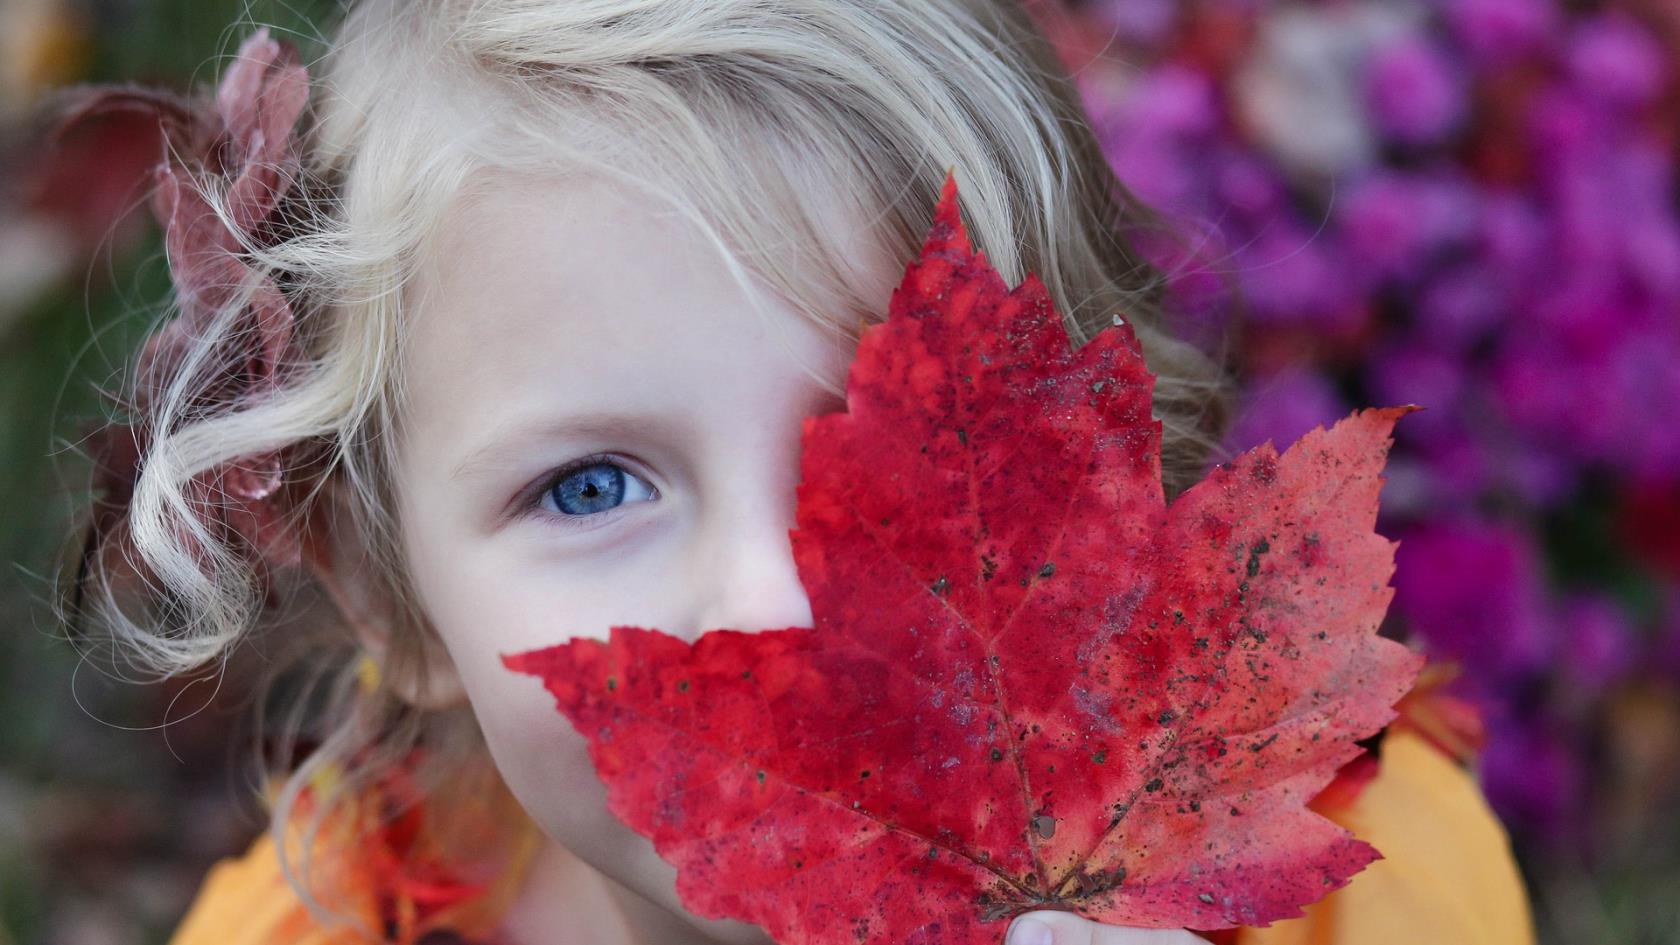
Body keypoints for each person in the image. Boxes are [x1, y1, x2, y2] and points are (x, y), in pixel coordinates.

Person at [57, 2, 1535, 943]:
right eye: (588, 488)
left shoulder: (1367, 885)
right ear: (387, 593)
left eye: (895, 441)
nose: (781, 599)